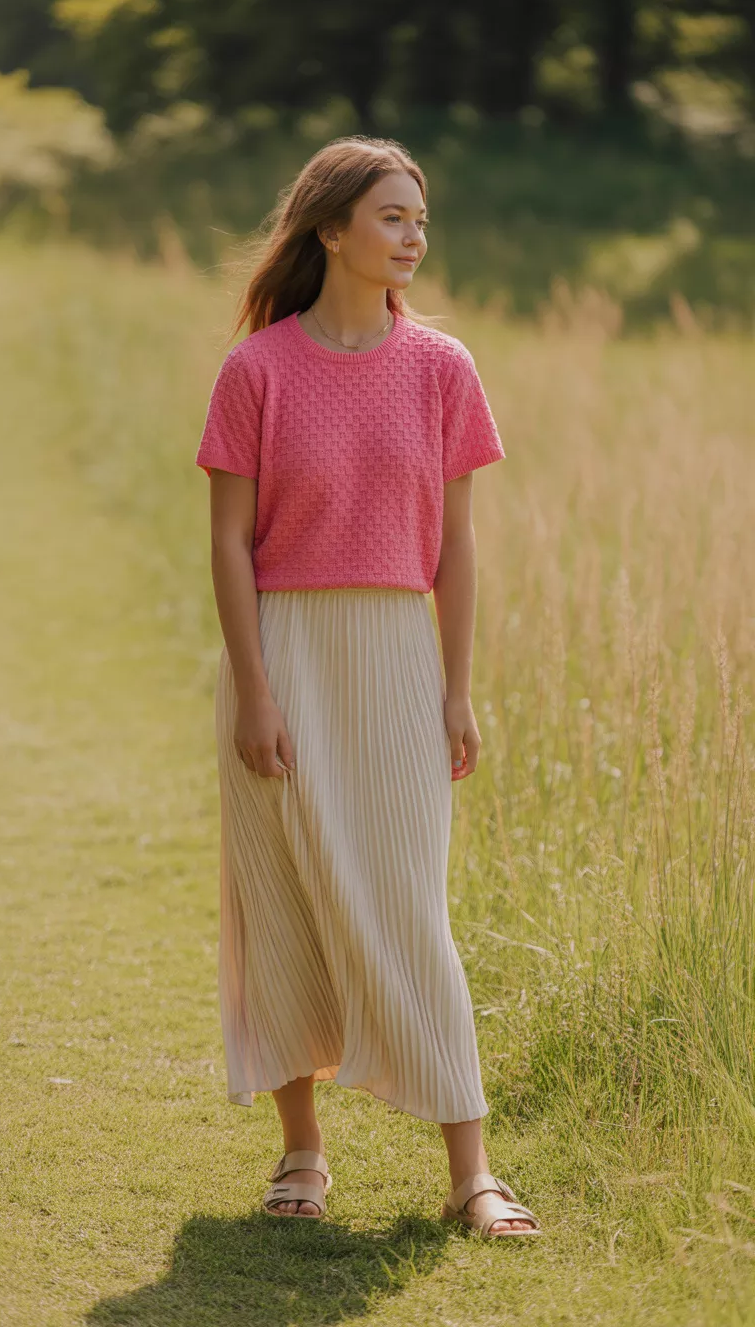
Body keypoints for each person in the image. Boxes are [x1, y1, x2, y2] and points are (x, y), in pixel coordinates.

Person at [195, 134, 542, 1240]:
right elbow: (229, 545)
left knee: (409, 907)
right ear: (331, 230)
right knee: (284, 894)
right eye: (392, 217)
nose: (413, 238)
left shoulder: (445, 368)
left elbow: (460, 551)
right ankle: (301, 1154)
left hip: (398, 652)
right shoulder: (255, 370)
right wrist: (255, 692)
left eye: (419, 219)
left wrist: (456, 687)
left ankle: (470, 1171)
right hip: (284, 649)